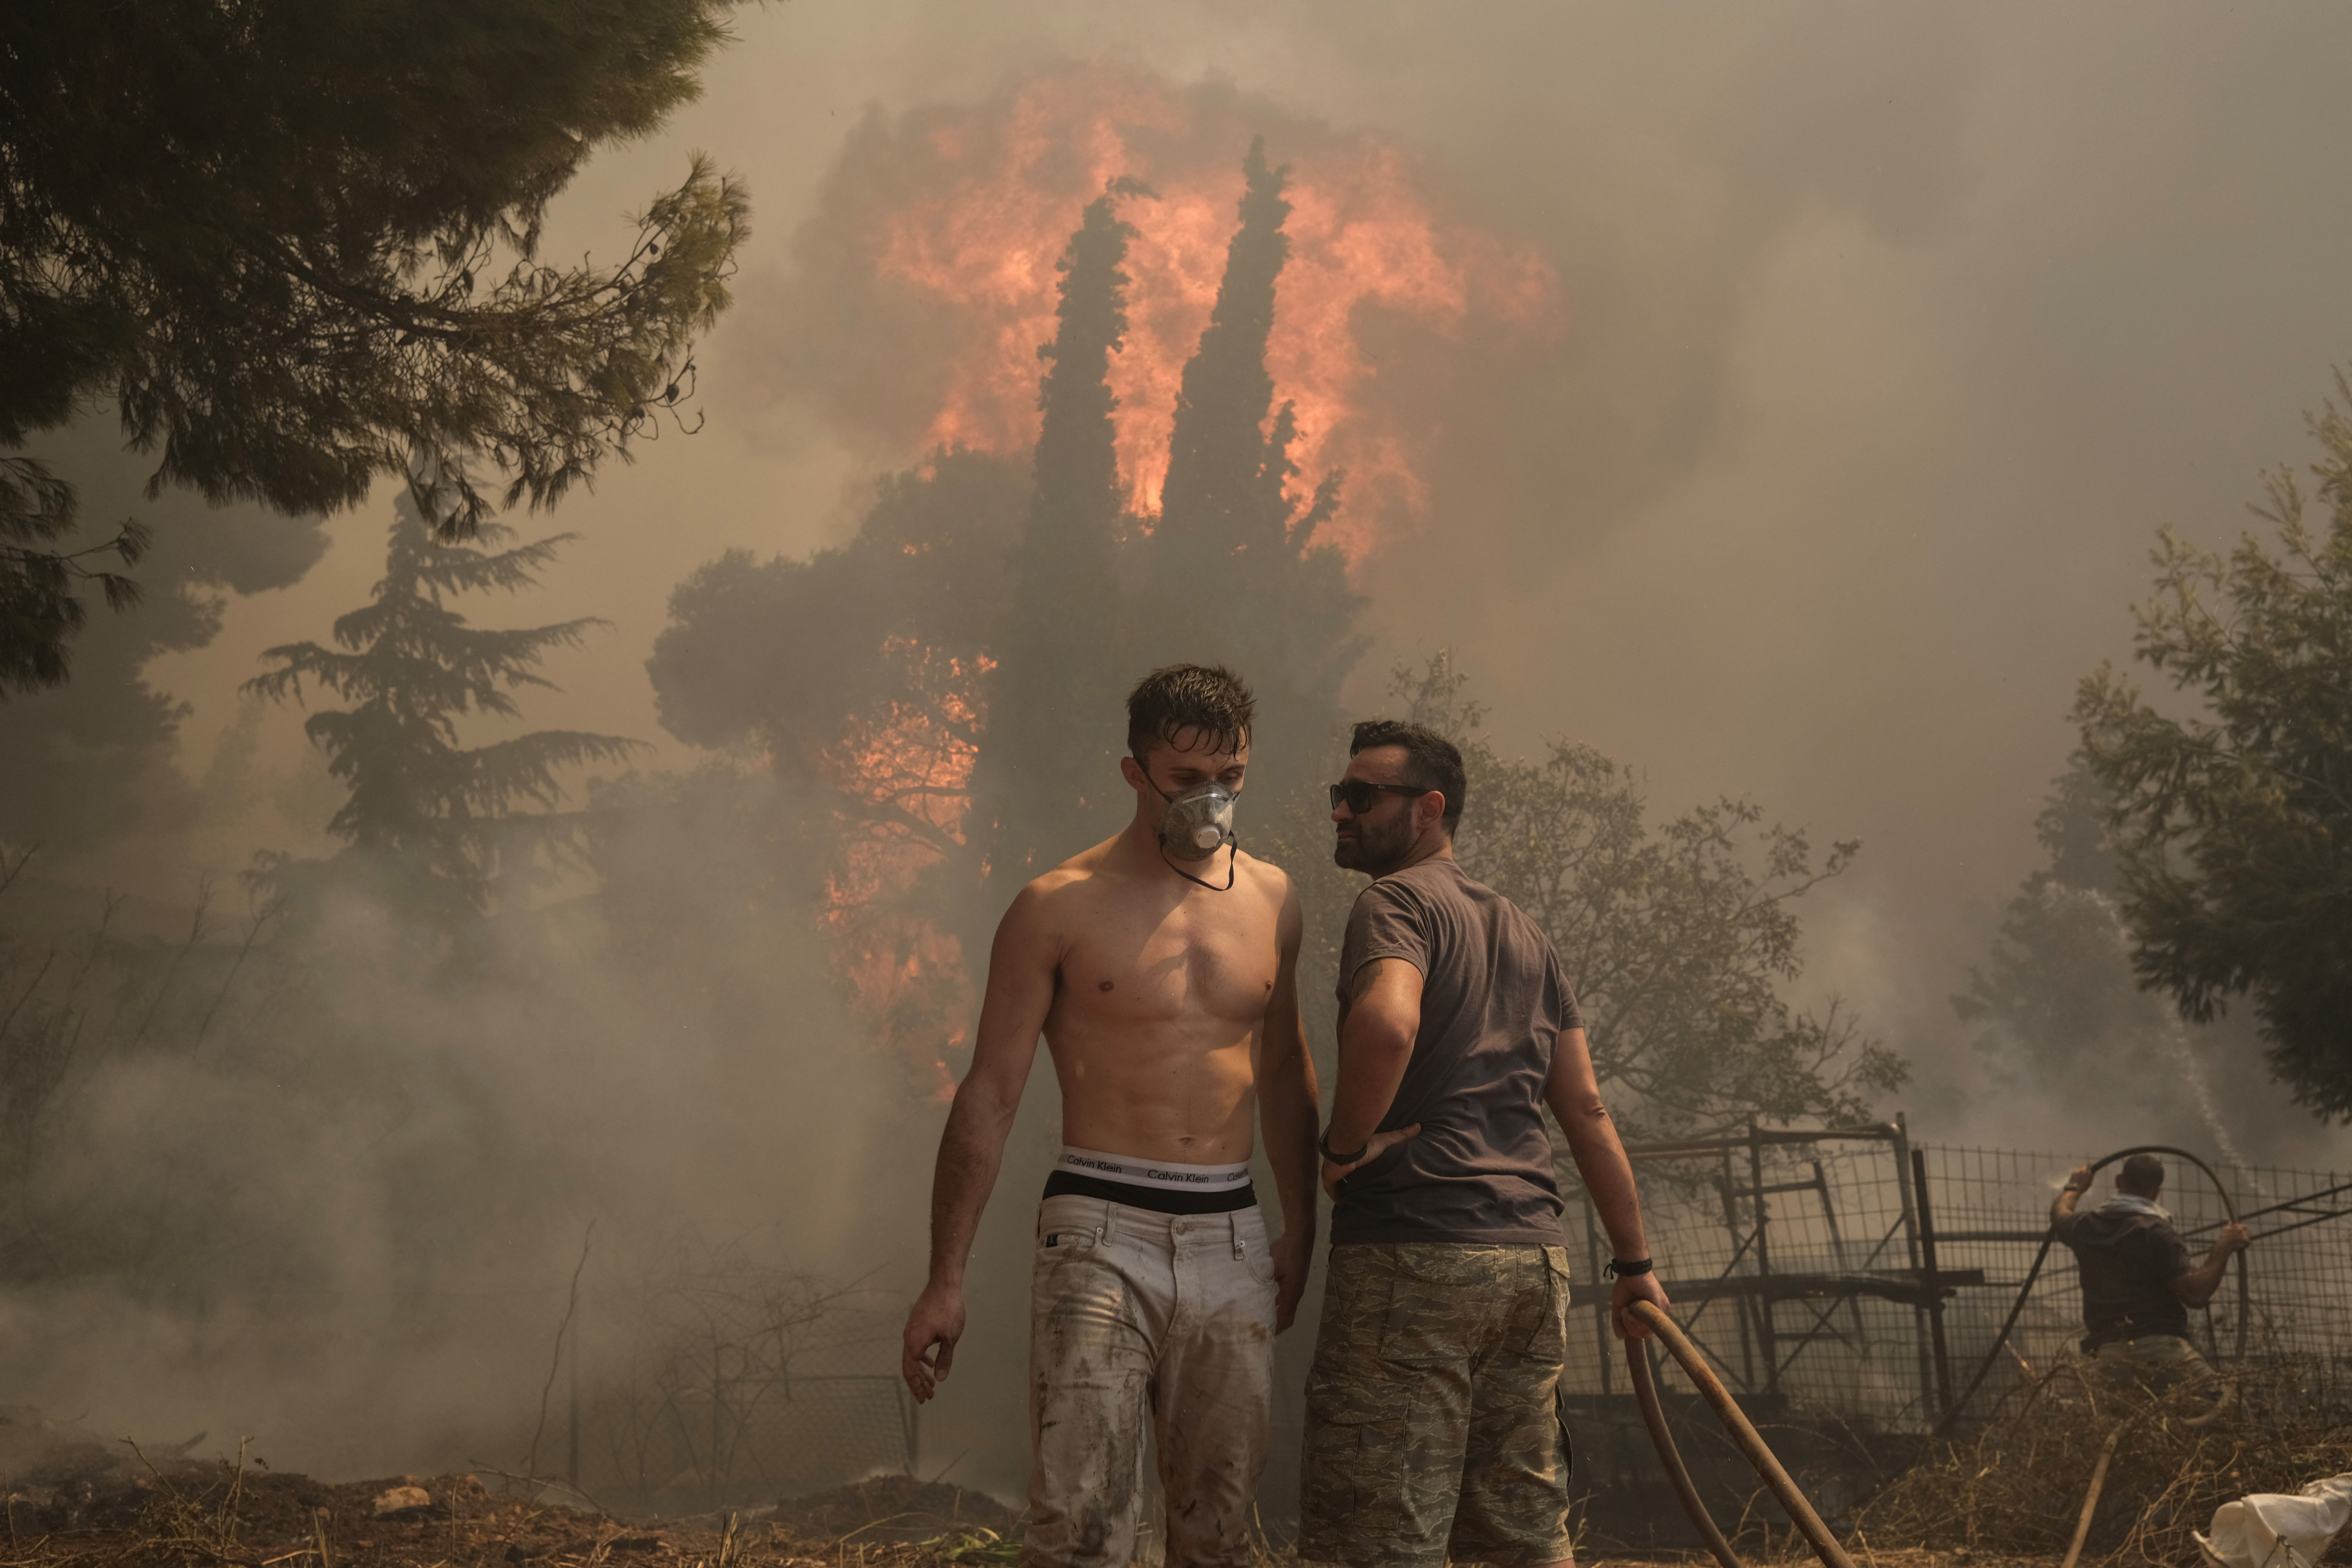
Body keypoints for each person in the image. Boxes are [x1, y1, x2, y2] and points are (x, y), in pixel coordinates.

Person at [899, 663, 1320, 1568]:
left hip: (1230, 1230)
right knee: (1081, 1523)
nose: (1211, 799)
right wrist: (945, 1278)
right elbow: (991, 1092)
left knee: (1218, 1524)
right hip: (1098, 1227)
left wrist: (1300, 1224)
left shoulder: (1276, 900)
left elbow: (1284, 1069)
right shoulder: (1056, 905)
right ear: (1134, 772)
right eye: (1185, 779)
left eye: (1231, 777)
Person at [1299, 719, 1669, 1568]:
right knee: (1517, 1536)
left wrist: (1343, 1146)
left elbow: (1388, 1021)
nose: (1341, 813)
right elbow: (1585, 1110)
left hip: (1416, 1253)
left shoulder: (1394, 903)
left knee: (1377, 1535)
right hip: (1531, 1266)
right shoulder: (1526, 933)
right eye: (1338, 796)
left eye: (1362, 796)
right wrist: (1635, 1264)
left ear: (1428, 810)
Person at [2051, 1152, 2249, 1389]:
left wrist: (2076, 1185)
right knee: (2225, 1413)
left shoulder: (2084, 1226)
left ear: (2118, 1182)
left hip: (2107, 1357)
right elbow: (2195, 1294)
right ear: (2157, 1192)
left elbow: (2060, 1214)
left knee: (2118, 1423)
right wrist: (2224, 1247)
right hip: (2162, 1351)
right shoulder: (2160, 1232)